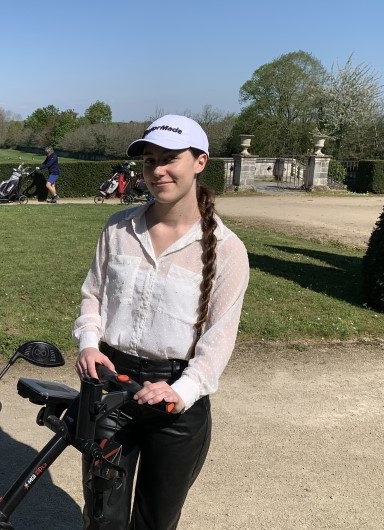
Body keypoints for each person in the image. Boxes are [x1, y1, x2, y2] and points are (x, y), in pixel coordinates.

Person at [73, 114, 250, 529]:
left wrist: (181, 390)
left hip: (175, 403)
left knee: (156, 521)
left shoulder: (227, 250)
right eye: (150, 161)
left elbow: (218, 340)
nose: (158, 170)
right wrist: (88, 344)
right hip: (110, 388)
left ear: (200, 162)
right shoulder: (118, 227)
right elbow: (92, 295)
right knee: (102, 517)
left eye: (170, 158)